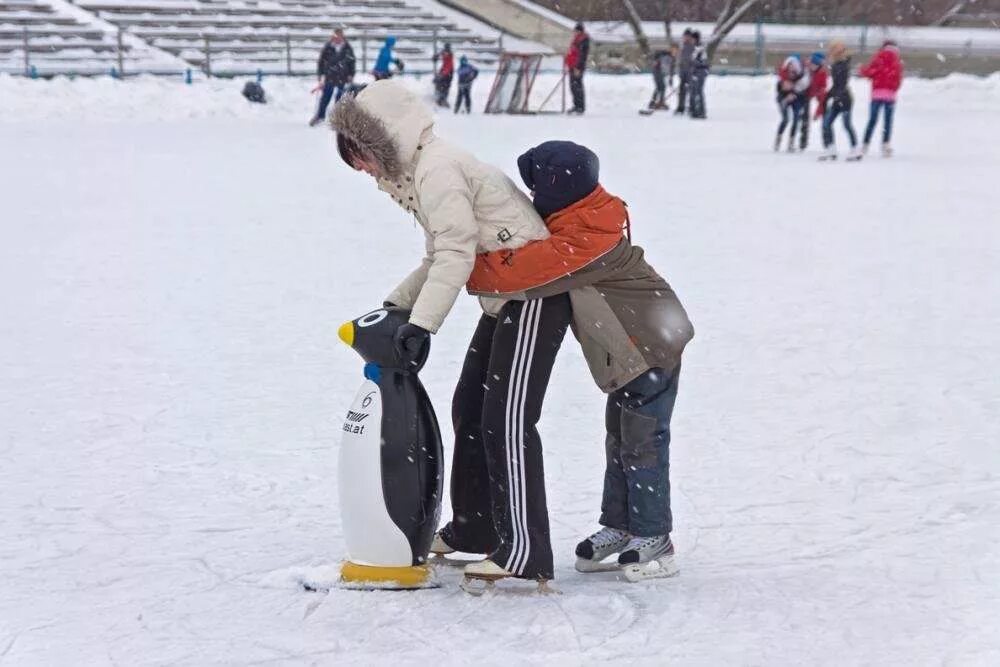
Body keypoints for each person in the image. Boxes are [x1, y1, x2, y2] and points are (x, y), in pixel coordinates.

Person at [331, 80, 570, 586]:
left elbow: (457, 254)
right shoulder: (418, 172)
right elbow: (438, 254)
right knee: (470, 406)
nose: (361, 170)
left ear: (381, 141)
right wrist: (397, 304)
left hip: (534, 295)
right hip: (505, 295)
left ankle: (525, 552)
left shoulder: (437, 170)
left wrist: (421, 326)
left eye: (359, 156)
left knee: (506, 420)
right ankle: (476, 528)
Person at [463, 141, 694, 578]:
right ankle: (622, 525)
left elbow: (521, 271)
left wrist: (459, 265)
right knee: (620, 441)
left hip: (650, 349)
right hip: (625, 353)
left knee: (643, 443)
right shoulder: (583, 213)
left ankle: (655, 536)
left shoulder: (587, 237)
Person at [860, 39, 904, 157]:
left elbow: (870, 72)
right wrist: (893, 87)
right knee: (887, 121)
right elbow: (899, 79)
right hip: (890, 95)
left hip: (877, 93)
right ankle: (886, 144)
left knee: (872, 120)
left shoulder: (878, 57)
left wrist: (862, 70)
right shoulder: (897, 61)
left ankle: (865, 144)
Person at [820, 41, 860, 161]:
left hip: (845, 99)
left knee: (846, 124)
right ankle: (831, 149)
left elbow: (841, 84)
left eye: (833, 50)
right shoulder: (836, 65)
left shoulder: (843, 65)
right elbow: (836, 85)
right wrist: (828, 96)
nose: (831, 53)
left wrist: (834, 95)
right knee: (827, 123)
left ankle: (855, 149)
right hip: (838, 99)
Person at [310, 28, 355, 127]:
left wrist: (351, 74)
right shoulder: (328, 47)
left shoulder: (347, 48)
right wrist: (320, 74)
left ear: (342, 36)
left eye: (340, 36)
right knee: (325, 97)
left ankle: (338, 119)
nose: (337, 38)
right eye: (336, 36)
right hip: (330, 76)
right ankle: (320, 116)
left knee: (340, 99)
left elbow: (351, 62)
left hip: (342, 76)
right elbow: (321, 61)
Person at [774, 53, 809, 152]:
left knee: (796, 118)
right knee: (785, 119)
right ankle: (778, 139)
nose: (791, 68)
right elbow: (780, 89)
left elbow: (802, 88)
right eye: (789, 65)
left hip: (796, 98)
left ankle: (791, 142)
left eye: (793, 65)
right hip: (784, 98)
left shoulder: (801, 75)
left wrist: (795, 93)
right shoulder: (783, 75)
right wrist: (785, 94)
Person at [800, 52, 828, 150]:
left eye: (814, 65)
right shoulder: (806, 68)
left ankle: (827, 142)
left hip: (819, 93)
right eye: (811, 64)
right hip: (807, 93)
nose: (812, 66)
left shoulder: (822, 74)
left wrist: (817, 113)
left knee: (825, 115)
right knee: (804, 117)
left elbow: (822, 98)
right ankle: (803, 141)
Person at [565, 22, 590, 114]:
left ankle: (580, 106)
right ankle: (576, 105)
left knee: (577, 86)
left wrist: (578, 67)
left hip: (577, 66)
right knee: (573, 86)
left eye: (576, 31)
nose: (574, 32)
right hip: (572, 66)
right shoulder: (576, 39)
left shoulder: (583, 40)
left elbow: (582, 55)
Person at [688, 31, 709, 119]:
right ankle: (694, 110)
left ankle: (701, 111)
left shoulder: (700, 49)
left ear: (695, 39)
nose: (691, 40)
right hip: (695, 73)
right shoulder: (694, 48)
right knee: (694, 91)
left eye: (692, 39)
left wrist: (695, 65)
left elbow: (702, 62)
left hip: (700, 73)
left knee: (699, 91)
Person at [674, 29, 695, 115]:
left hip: (690, 73)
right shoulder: (682, 46)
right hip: (683, 72)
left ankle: (691, 107)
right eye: (684, 36)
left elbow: (693, 60)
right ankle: (680, 107)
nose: (685, 38)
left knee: (691, 91)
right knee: (681, 91)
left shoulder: (693, 47)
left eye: (687, 36)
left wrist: (691, 67)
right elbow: (679, 59)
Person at [648, 46, 676, 111]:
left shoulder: (673, 58)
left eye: (676, 51)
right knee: (661, 87)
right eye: (673, 50)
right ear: (671, 50)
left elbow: (672, 69)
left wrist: (671, 79)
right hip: (657, 71)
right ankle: (658, 102)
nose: (674, 52)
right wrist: (656, 60)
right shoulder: (664, 54)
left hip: (662, 73)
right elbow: (656, 55)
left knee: (660, 87)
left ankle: (655, 102)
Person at [433, 43, 454, 108]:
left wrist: (443, 74)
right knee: (437, 82)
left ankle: (443, 99)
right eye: (445, 49)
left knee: (446, 86)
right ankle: (439, 97)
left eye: (447, 50)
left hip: (449, 71)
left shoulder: (450, 54)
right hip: (444, 69)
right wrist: (435, 56)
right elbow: (439, 54)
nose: (445, 52)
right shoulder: (444, 52)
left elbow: (449, 66)